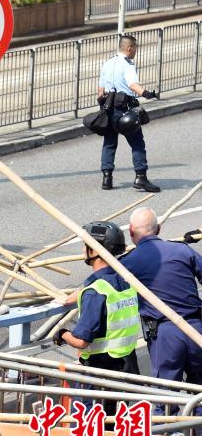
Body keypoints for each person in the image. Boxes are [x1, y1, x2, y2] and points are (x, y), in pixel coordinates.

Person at [53, 221, 141, 412]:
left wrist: (63, 334)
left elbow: (81, 341)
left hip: (99, 376)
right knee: (116, 428)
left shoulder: (95, 292)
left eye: (86, 245)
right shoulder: (127, 282)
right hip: (125, 371)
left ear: (94, 251)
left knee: (92, 430)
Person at [121, 207, 202, 391]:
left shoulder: (129, 262)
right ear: (159, 229)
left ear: (131, 232)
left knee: (165, 397)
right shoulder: (182, 250)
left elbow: (107, 283)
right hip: (196, 328)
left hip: (165, 335)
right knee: (200, 391)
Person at [98, 35, 161, 192]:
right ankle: (141, 177)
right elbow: (133, 85)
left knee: (109, 143)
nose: (135, 52)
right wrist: (148, 94)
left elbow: (100, 92)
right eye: (135, 49)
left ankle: (107, 178)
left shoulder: (107, 63)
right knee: (137, 143)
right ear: (129, 48)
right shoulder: (127, 65)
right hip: (123, 110)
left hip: (108, 109)